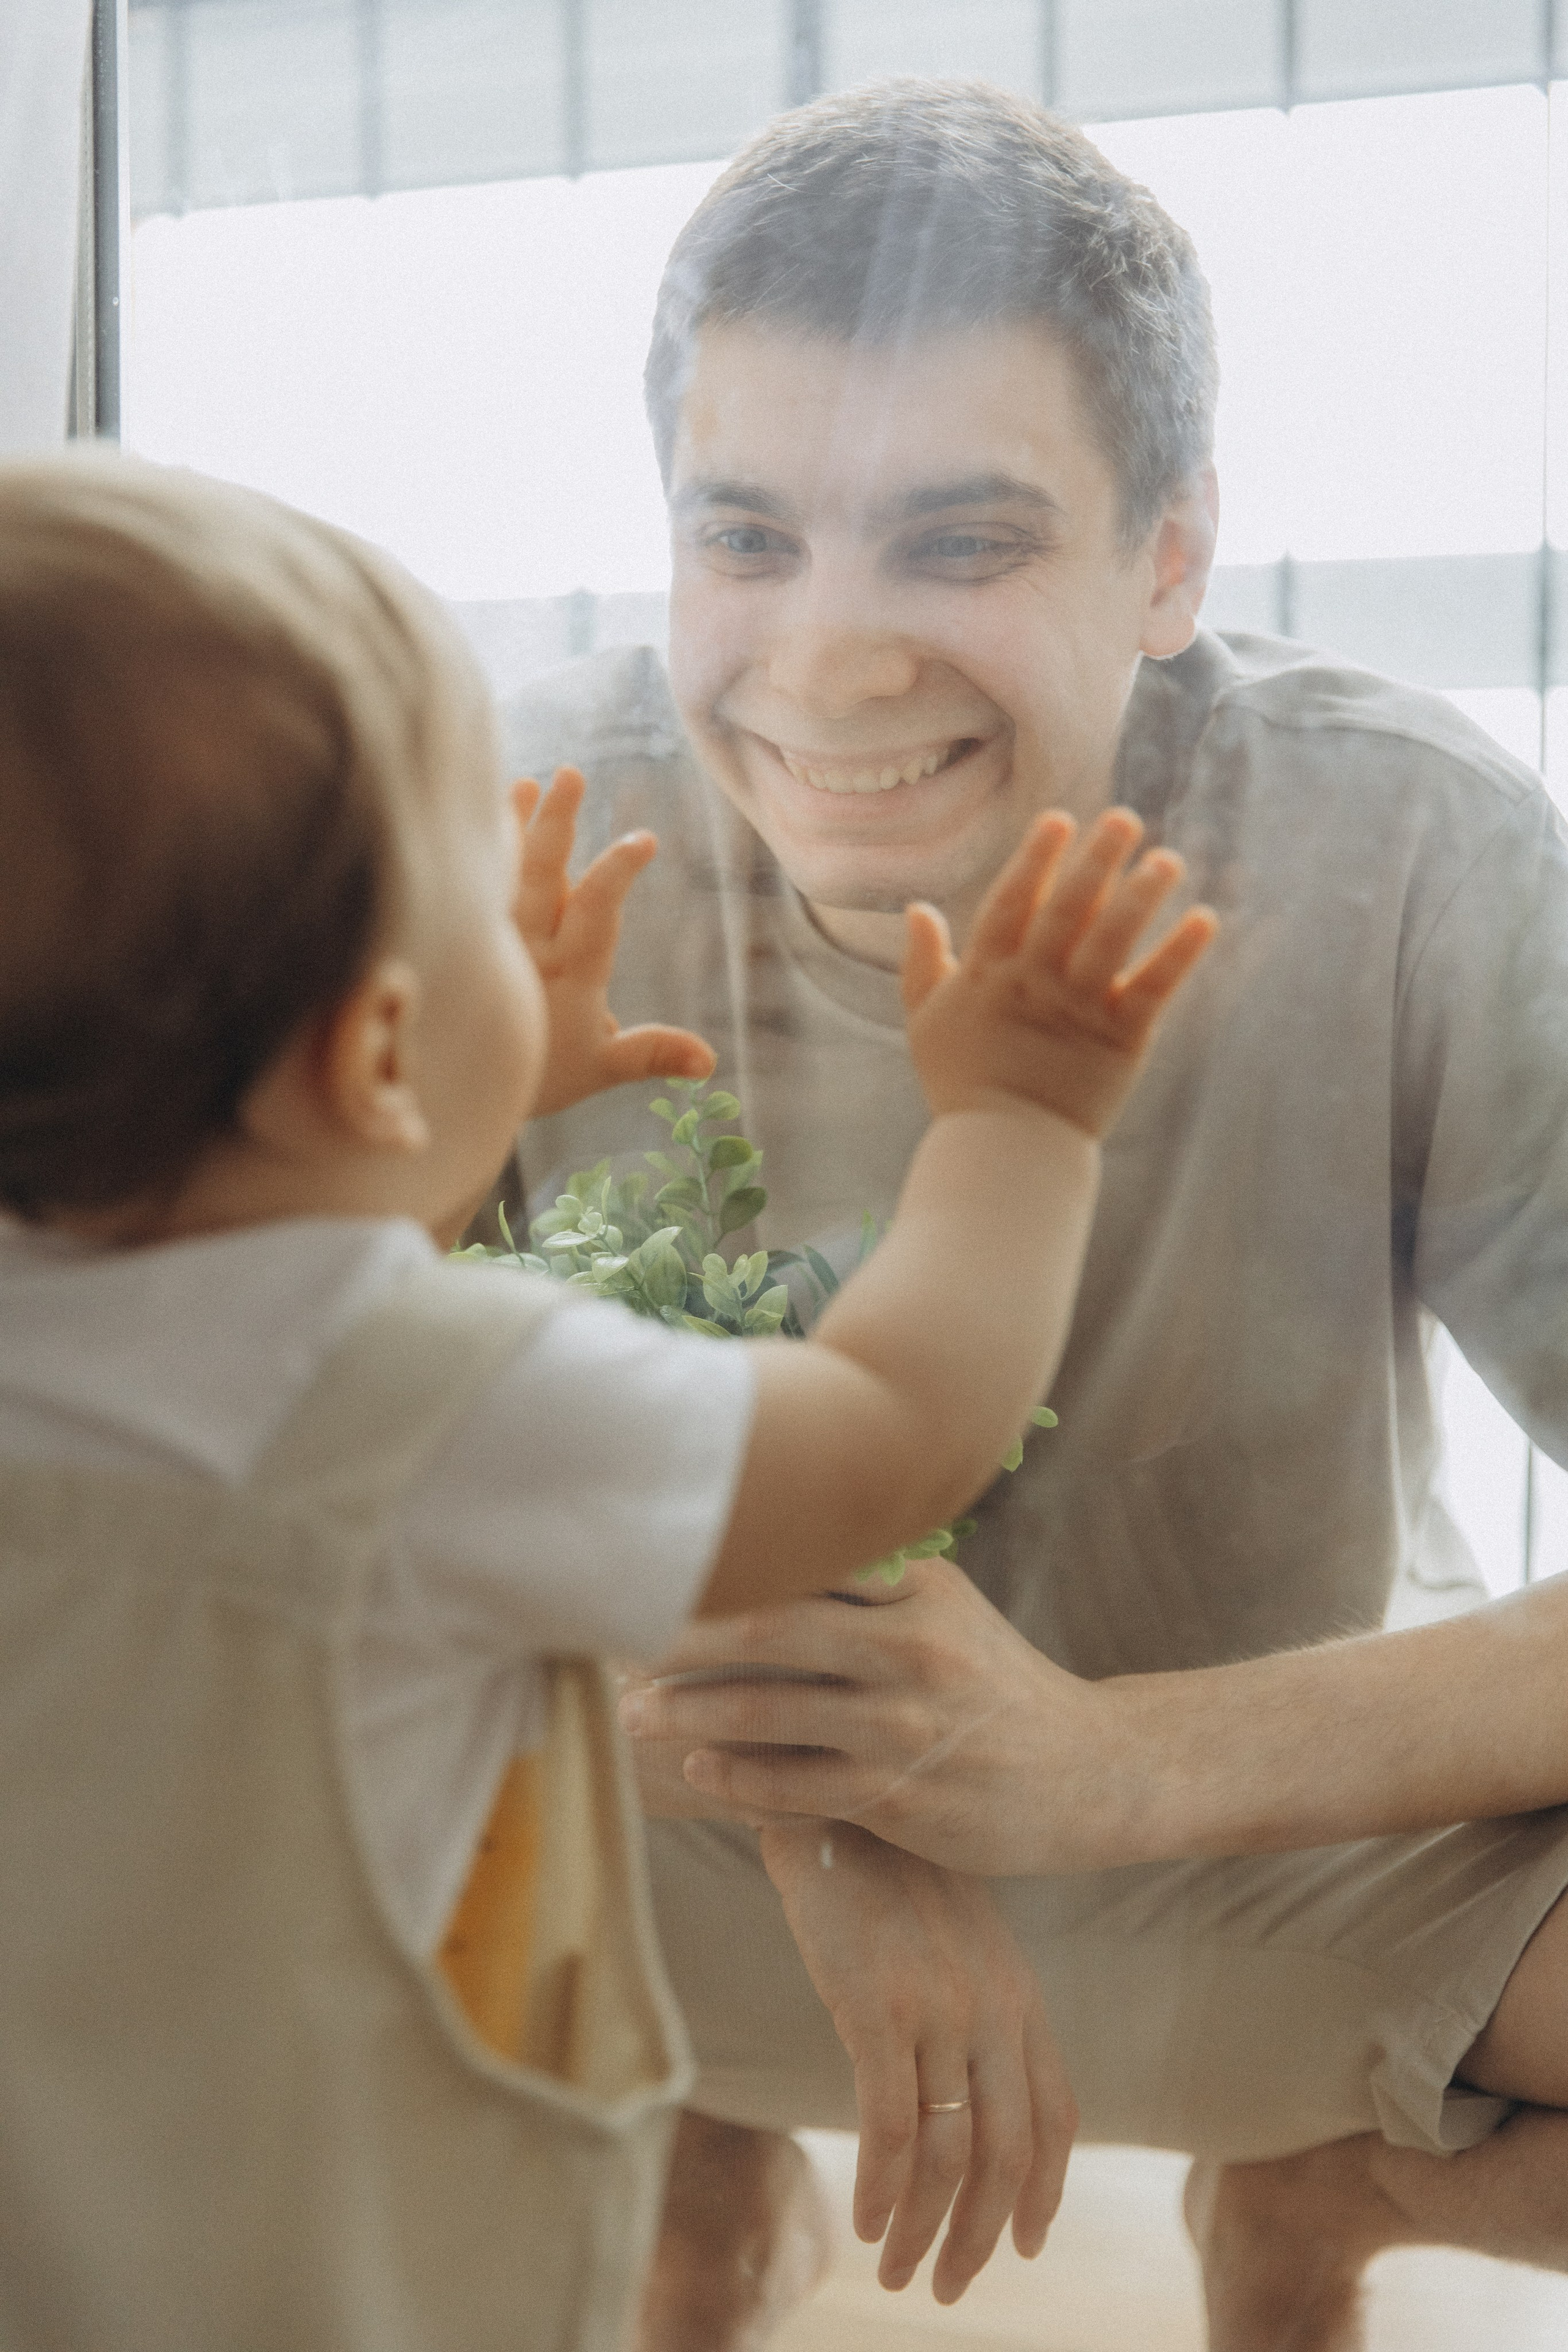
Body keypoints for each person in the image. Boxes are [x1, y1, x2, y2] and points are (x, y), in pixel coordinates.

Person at [497, 77, 1568, 2352]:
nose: (832, 663)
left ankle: (1329, 2195)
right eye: (750, 538)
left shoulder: (1415, 852)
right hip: (663, 1843)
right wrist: (840, 1819)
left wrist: (1094, 1770)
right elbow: (267, 1503)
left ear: (1173, 552)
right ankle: (710, 2177)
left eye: (960, 543)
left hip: (1256, 1834)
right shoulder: (512, 838)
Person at [0, 447, 1210, 2348]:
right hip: (343, 2277)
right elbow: (884, 1431)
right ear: (372, 1053)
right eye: (476, 914)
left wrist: (431, 1114)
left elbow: (212, 1282)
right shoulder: (424, 1415)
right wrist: (1018, 1125)